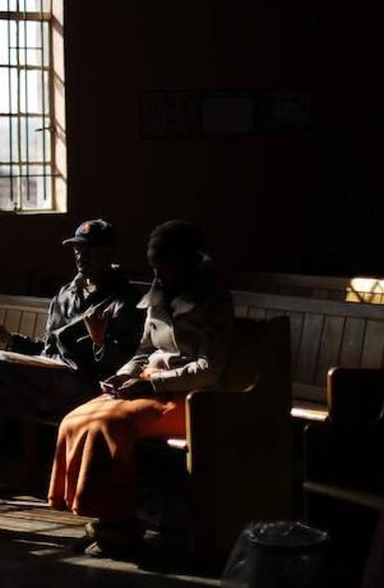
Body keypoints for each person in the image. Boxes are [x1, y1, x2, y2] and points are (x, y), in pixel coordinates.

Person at [0, 218, 145, 535]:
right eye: (77, 250)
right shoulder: (66, 294)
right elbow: (49, 350)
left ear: (109, 254)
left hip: (89, 389)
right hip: (50, 381)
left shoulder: (125, 299)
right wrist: (11, 341)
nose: (81, 257)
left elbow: (127, 362)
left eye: (90, 251)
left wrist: (100, 340)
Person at [47, 220, 234, 559]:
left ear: (186, 261)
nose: (157, 271)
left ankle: (119, 526)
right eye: (154, 265)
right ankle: (105, 517)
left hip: (190, 397)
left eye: (164, 264)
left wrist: (149, 382)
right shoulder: (158, 293)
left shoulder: (213, 299)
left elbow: (209, 368)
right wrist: (122, 375)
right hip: (149, 385)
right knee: (77, 418)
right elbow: (144, 351)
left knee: (109, 425)